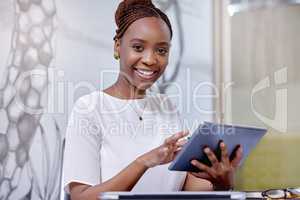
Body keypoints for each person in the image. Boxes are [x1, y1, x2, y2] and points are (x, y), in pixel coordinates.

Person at [62, 0, 243, 200]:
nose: (150, 59)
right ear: (117, 46)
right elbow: (81, 197)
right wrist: (144, 162)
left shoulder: (167, 107)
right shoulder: (90, 108)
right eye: (138, 47)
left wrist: (221, 182)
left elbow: (186, 188)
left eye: (161, 50)